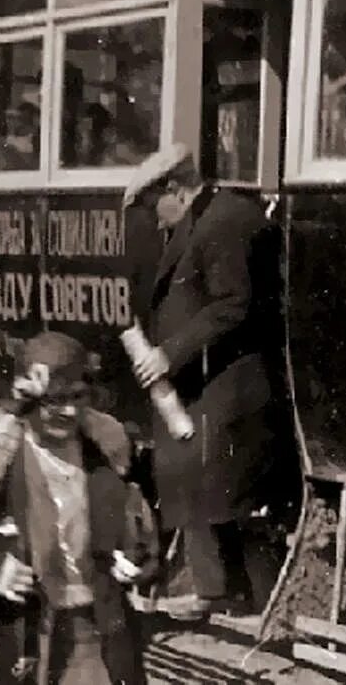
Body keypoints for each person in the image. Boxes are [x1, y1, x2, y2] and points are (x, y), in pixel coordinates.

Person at [0, 331, 159, 685]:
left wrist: (137, 558)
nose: (69, 411)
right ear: (28, 400)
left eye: (78, 397)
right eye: (55, 401)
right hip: (17, 633)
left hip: (92, 635)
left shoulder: (106, 445)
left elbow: (141, 522)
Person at [122, 143, 287, 621]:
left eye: (157, 206)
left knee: (212, 479)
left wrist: (167, 355)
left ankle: (235, 593)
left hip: (234, 383)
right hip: (210, 377)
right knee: (192, 475)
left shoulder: (225, 223)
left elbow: (231, 304)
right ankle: (218, 588)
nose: (156, 220)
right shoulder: (207, 216)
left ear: (174, 188)